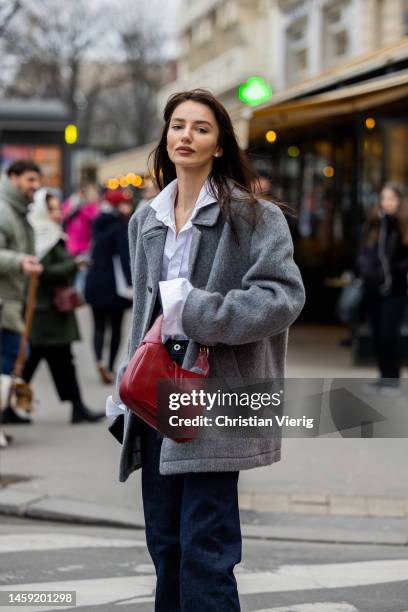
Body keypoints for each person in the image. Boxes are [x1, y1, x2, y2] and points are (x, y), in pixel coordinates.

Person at [107, 89, 305, 611]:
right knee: (165, 547)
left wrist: (200, 313)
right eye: (177, 126)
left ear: (219, 144)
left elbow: (283, 297)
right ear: (165, 136)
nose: (186, 137)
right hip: (155, 399)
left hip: (216, 399)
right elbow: (143, 317)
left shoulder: (255, 217)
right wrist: (124, 386)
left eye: (200, 128)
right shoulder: (145, 219)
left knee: (206, 549)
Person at [22, 189, 105, 424]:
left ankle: (76, 407)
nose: (58, 213)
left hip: (51, 312)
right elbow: (43, 271)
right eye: (53, 208)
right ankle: (77, 408)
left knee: (43, 361)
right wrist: (73, 266)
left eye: (59, 208)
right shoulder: (42, 234)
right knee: (44, 361)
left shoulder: (51, 232)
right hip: (46, 312)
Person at [0, 159, 43, 424]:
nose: (36, 186)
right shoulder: (4, 209)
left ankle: (6, 414)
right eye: (30, 180)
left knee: (15, 359)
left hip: (11, 303)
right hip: (5, 304)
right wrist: (20, 261)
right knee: (11, 361)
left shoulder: (16, 209)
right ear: (13, 177)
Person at [358, 183, 408, 393]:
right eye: (384, 198)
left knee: (389, 333)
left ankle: (392, 378)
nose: (387, 203)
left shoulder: (402, 226)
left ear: (400, 201)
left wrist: (397, 269)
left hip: (395, 290)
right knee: (377, 333)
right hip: (374, 288)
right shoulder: (375, 224)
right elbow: (365, 251)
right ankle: (383, 376)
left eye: (391, 199)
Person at [84, 189, 133, 384]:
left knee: (97, 327)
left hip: (95, 281)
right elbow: (123, 257)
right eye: (124, 203)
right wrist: (130, 285)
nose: (128, 207)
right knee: (116, 327)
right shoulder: (119, 227)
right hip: (115, 286)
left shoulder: (98, 223)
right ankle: (111, 367)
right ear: (117, 205)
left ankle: (98, 361)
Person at [61, 185, 100, 294]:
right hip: (71, 244)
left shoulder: (89, 206)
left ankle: (79, 293)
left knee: (83, 271)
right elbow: (63, 216)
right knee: (72, 269)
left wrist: (85, 207)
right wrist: (74, 207)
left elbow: (94, 218)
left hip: (85, 244)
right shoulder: (70, 204)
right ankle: (74, 291)